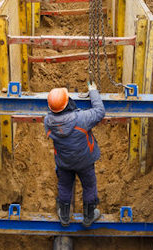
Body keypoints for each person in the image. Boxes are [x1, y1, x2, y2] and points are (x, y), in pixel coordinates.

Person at [44, 82, 105, 227]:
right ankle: (89, 217)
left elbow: (56, 117)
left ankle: (64, 217)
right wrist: (93, 92)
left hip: (64, 162)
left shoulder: (48, 121)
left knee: (64, 186)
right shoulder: (81, 119)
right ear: (67, 103)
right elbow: (100, 111)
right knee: (89, 186)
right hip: (85, 161)